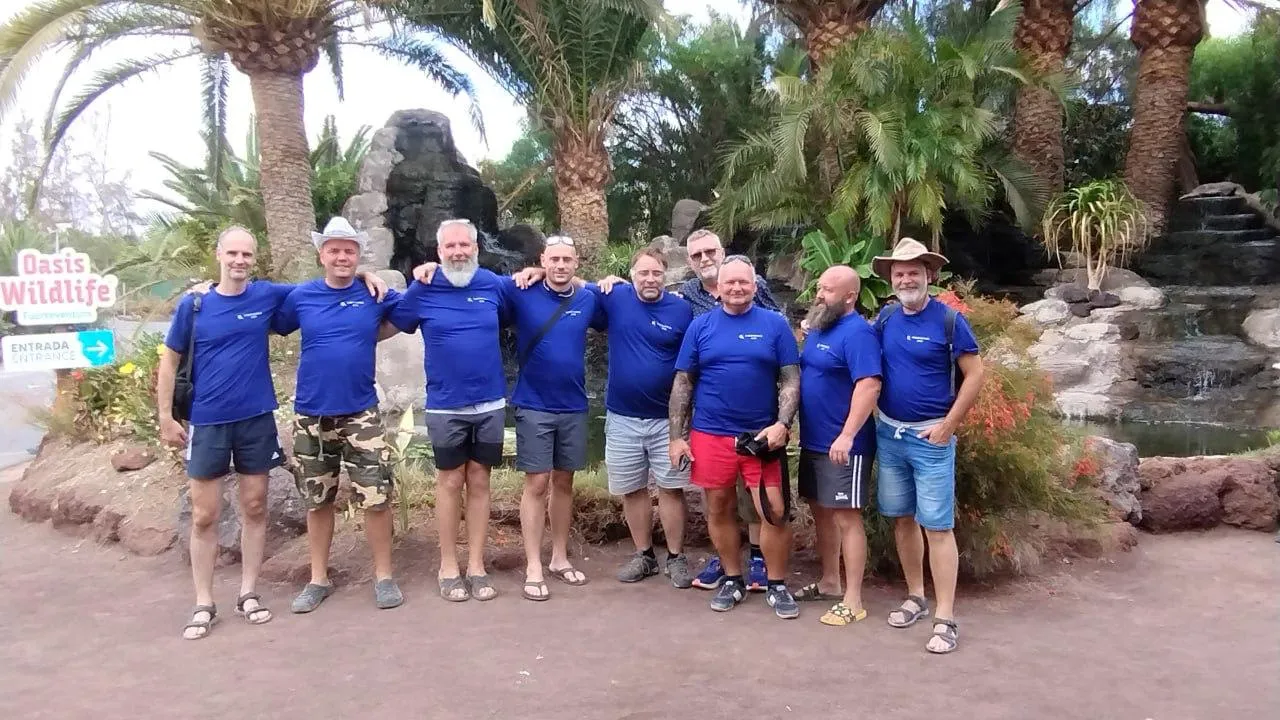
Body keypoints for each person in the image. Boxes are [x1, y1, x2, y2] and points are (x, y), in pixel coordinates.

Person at [155, 225, 385, 639]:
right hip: (207, 420)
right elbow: (170, 361)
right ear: (219, 255)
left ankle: (248, 593)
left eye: (246, 254)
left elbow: (329, 285)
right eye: (232, 253)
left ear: (254, 259)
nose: (239, 261)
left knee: (256, 506)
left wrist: (366, 275)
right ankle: (203, 601)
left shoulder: (267, 295)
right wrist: (166, 417)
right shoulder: (195, 305)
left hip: (256, 416)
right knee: (204, 514)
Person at [272, 217, 405, 614]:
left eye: (349, 250)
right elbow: (262, 308)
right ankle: (318, 579)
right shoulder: (301, 296)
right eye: (334, 250)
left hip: (361, 414)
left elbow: (413, 307)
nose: (342, 256)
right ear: (322, 255)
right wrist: (208, 289)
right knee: (317, 502)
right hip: (311, 416)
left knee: (376, 498)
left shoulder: (374, 294)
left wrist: (373, 279)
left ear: (358, 254)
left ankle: (384, 577)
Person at [389, 219, 518, 603]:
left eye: (465, 245)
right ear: (439, 250)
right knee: (448, 482)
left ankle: (476, 565)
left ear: (476, 248)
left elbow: (530, 294)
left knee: (479, 481)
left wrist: (542, 272)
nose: (458, 252)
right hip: (445, 405)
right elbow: (390, 320)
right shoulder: (424, 287)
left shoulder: (493, 285)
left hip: (490, 402)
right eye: (451, 246)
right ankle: (448, 565)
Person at [669, 256, 801, 618]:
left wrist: (783, 423)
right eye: (730, 282)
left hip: (761, 436)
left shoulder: (775, 325)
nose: (737, 288)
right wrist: (676, 436)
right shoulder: (701, 327)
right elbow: (683, 382)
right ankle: (732, 578)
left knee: (773, 511)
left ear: (755, 287)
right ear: (718, 289)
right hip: (711, 433)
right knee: (718, 508)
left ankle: (776, 583)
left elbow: (791, 379)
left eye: (744, 282)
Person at [871, 237, 985, 654]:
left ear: (929, 276)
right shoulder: (886, 318)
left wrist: (949, 425)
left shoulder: (949, 321)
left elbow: (975, 374)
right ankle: (916, 596)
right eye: (899, 273)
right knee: (902, 519)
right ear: (892, 279)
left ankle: (945, 617)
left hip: (931, 439)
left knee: (937, 526)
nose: (906, 279)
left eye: (913, 272)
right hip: (890, 435)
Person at [506, 235, 606, 601]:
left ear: (576, 262)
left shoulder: (588, 298)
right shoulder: (522, 291)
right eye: (554, 259)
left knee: (565, 482)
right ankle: (533, 564)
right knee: (537, 483)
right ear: (542, 260)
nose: (560, 265)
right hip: (533, 404)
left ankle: (559, 557)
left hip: (574, 405)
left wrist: (608, 281)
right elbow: (480, 283)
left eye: (567, 259)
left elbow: (617, 301)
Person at [596, 247, 695, 587]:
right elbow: (570, 285)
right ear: (631, 275)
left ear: (665, 275)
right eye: (643, 273)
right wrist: (534, 272)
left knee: (671, 488)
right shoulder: (615, 297)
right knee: (632, 489)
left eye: (656, 273)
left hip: (669, 421)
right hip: (622, 417)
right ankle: (644, 556)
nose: (650, 279)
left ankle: (676, 557)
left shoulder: (682, 310)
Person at [795, 266, 882, 627]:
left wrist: (846, 435)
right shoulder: (820, 327)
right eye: (819, 287)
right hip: (814, 440)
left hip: (845, 445)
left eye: (828, 290)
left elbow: (869, 385)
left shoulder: (858, 333)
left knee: (847, 518)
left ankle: (853, 600)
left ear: (850, 297)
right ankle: (830, 582)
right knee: (821, 511)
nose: (819, 294)